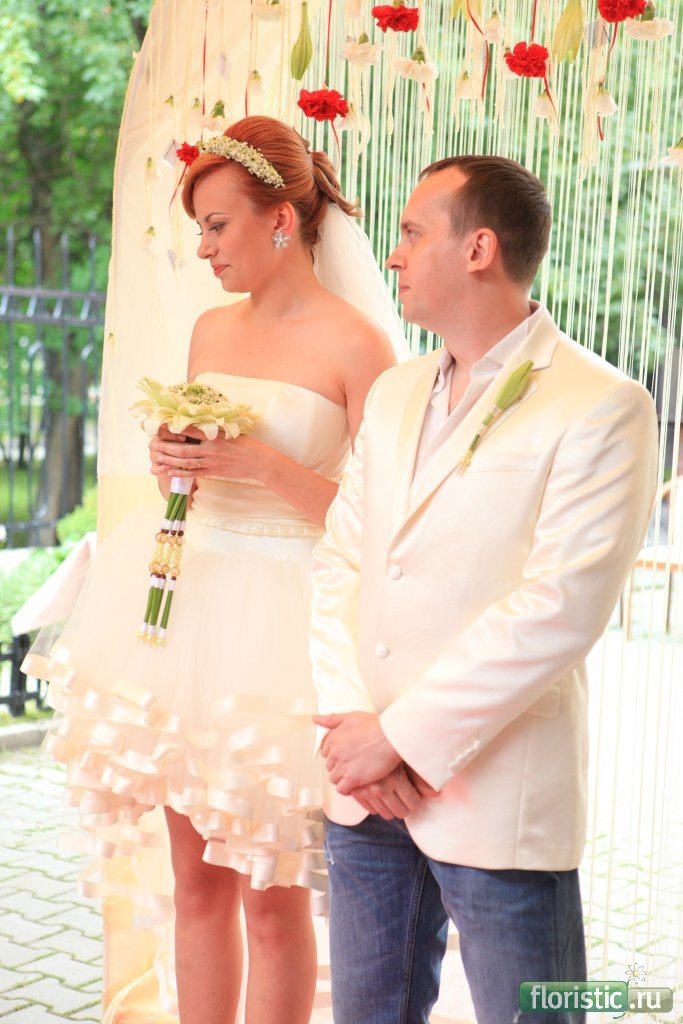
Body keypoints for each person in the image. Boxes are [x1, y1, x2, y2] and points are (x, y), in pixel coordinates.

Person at [27, 115, 403, 1024]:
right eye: (199, 228)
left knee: (272, 900)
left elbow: (380, 523)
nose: (203, 248)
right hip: (182, 610)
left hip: (282, 628)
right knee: (195, 886)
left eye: (217, 225)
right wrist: (178, 463)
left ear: (280, 218)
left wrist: (259, 465)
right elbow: (194, 482)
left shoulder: (359, 345)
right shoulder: (208, 330)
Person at [310, 155, 659, 1024]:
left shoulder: (601, 402)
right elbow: (339, 561)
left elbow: (560, 607)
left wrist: (399, 739)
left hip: (496, 794)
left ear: (478, 249)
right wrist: (354, 728)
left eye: (410, 232)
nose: (392, 255)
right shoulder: (392, 393)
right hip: (364, 794)